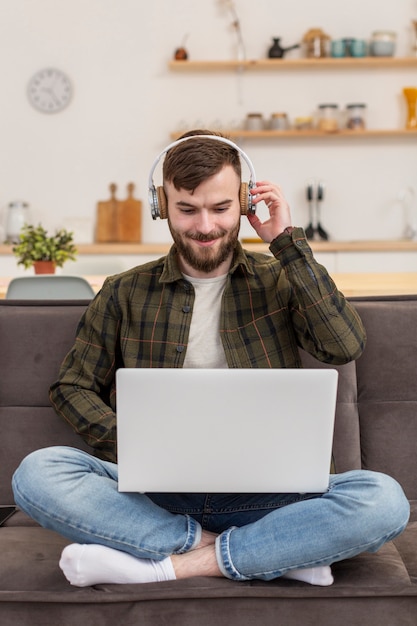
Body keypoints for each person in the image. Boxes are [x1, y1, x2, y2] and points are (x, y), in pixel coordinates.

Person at [12, 131, 409, 588]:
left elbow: (343, 347)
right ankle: (274, 550)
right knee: (38, 473)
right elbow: (72, 387)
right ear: (162, 206)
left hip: (271, 493)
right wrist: (140, 442)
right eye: (187, 209)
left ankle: (168, 564)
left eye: (220, 208)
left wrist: (286, 244)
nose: (205, 226)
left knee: (384, 500)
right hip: (153, 495)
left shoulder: (278, 279)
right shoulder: (124, 291)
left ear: (244, 202)